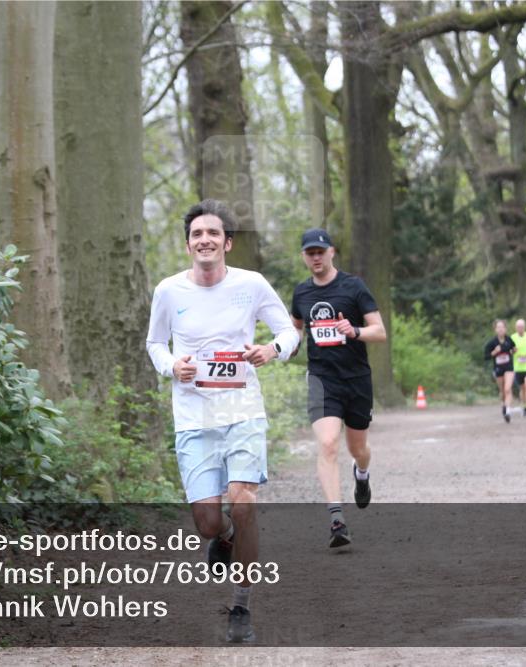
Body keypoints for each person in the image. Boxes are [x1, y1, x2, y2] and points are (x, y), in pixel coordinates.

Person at [146, 199, 299, 643]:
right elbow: (155, 343)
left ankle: (241, 606)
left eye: (213, 233)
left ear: (227, 243)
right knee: (208, 521)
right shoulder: (169, 291)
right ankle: (224, 536)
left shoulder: (251, 285)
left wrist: (273, 350)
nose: (205, 240)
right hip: (194, 416)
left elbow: (288, 331)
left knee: (243, 500)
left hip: (243, 410)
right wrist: (173, 366)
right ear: (189, 245)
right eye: (197, 234)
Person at [289, 229, 387, 548]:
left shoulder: (353, 287)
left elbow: (380, 331)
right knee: (328, 443)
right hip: (322, 379)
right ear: (304, 257)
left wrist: (354, 330)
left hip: (356, 378)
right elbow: (295, 333)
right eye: (310, 253)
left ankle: (361, 473)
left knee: (357, 448)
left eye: (320, 251)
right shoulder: (301, 293)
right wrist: (279, 348)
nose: (315, 257)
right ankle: (336, 519)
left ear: (332, 252)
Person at [483, 320, 516, 423]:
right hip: (498, 369)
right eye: (498, 327)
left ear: (505, 329)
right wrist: (494, 352)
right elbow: (486, 357)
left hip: (509, 368)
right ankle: (504, 405)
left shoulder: (509, 339)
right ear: (495, 329)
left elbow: (514, 349)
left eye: (502, 327)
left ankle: (507, 411)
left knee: (507, 389)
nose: (501, 329)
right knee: (502, 392)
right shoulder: (492, 343)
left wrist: (513, 351)